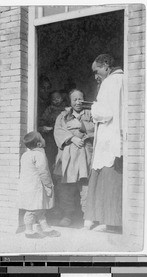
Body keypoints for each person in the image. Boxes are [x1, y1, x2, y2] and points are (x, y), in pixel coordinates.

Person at [84, 54, 124, 232]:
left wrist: (93, 107)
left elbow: (105, 113)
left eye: (96, 70)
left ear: (106, 65)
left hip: (109, 139)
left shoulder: (110, 82)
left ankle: (110, 223)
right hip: (114, 137)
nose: (95, 76)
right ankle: (106, 220)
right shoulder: (122, 79)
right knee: (107, 178)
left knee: (109, 179)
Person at [53, 89, 95, 227]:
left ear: (84, 99)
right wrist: (72, 138)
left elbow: (96, 129)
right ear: (70, 102)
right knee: (67, 186)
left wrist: (81, 126)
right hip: (68, 155)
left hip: (85, 154)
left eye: (80, 99)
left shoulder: (90, 114)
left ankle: (87, 216)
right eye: (74, 99)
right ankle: (67, 215)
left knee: (85, 186)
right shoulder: (63, 116)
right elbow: (58, 131)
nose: (78, 102)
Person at [17, 131, 60, 238]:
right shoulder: (39, 155)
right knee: (32, 210)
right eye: (42, 138)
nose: (44, 139)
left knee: (40, 209)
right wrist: (48, 185)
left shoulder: (25, 155)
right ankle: (29, 231)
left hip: (27, 186)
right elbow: (43, 172)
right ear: (39, 144)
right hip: (36, 187)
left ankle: (45, 228)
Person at [39, 90, 66, 174]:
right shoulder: (49, 109)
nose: (56, 100)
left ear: (62, 99)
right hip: (51, 136)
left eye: (58, 98)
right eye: (54, 99)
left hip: (62, 135)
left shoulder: (65, 109)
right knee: (51, 155)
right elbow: (43, 120)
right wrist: (45, 127)